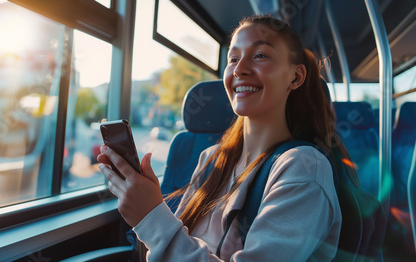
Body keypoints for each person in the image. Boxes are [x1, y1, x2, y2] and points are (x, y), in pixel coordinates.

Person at [97, 16, 358, 261]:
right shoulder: (212, 158)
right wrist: (147, 206)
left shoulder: (303, 168)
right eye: (233, 59)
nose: (240, 69)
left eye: (260, 55)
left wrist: (151, 216)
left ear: (296, 76)